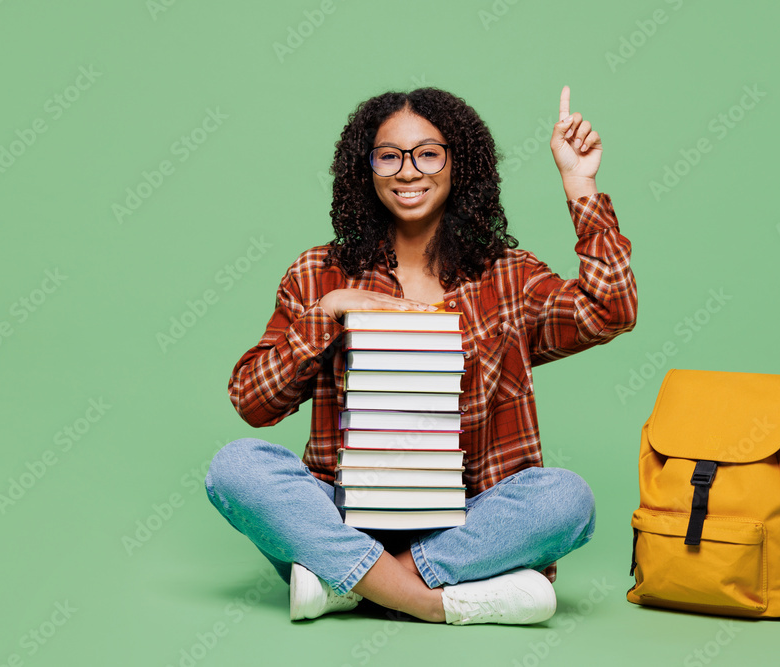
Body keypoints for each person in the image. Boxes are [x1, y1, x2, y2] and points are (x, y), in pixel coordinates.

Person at [205, 85, 637, 626]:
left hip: (464, 522)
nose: (408, 171)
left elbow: (609, 308)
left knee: (566, 500)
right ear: (367, 170)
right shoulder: (319, 273)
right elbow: (251, 400)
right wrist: (328, 312)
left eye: (428, 152)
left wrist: (579, 182)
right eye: (389, 156)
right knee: (235, 467)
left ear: (459, 165)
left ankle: (353, 585)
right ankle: (433, 603)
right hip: (344, 516)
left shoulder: (507, 276)